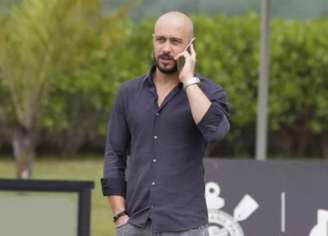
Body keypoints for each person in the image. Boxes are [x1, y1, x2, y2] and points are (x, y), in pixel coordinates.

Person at [101, 11, 230, 236]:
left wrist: (189, 81)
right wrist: (120, 216)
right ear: (153, 40)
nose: (166, 48)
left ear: (190, 46)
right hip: (135, 226)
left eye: (175, 41)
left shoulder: (208, 92)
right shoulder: (128, 93)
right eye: (161, 40)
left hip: (187, 226)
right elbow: (114, 155)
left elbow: (215, 131)